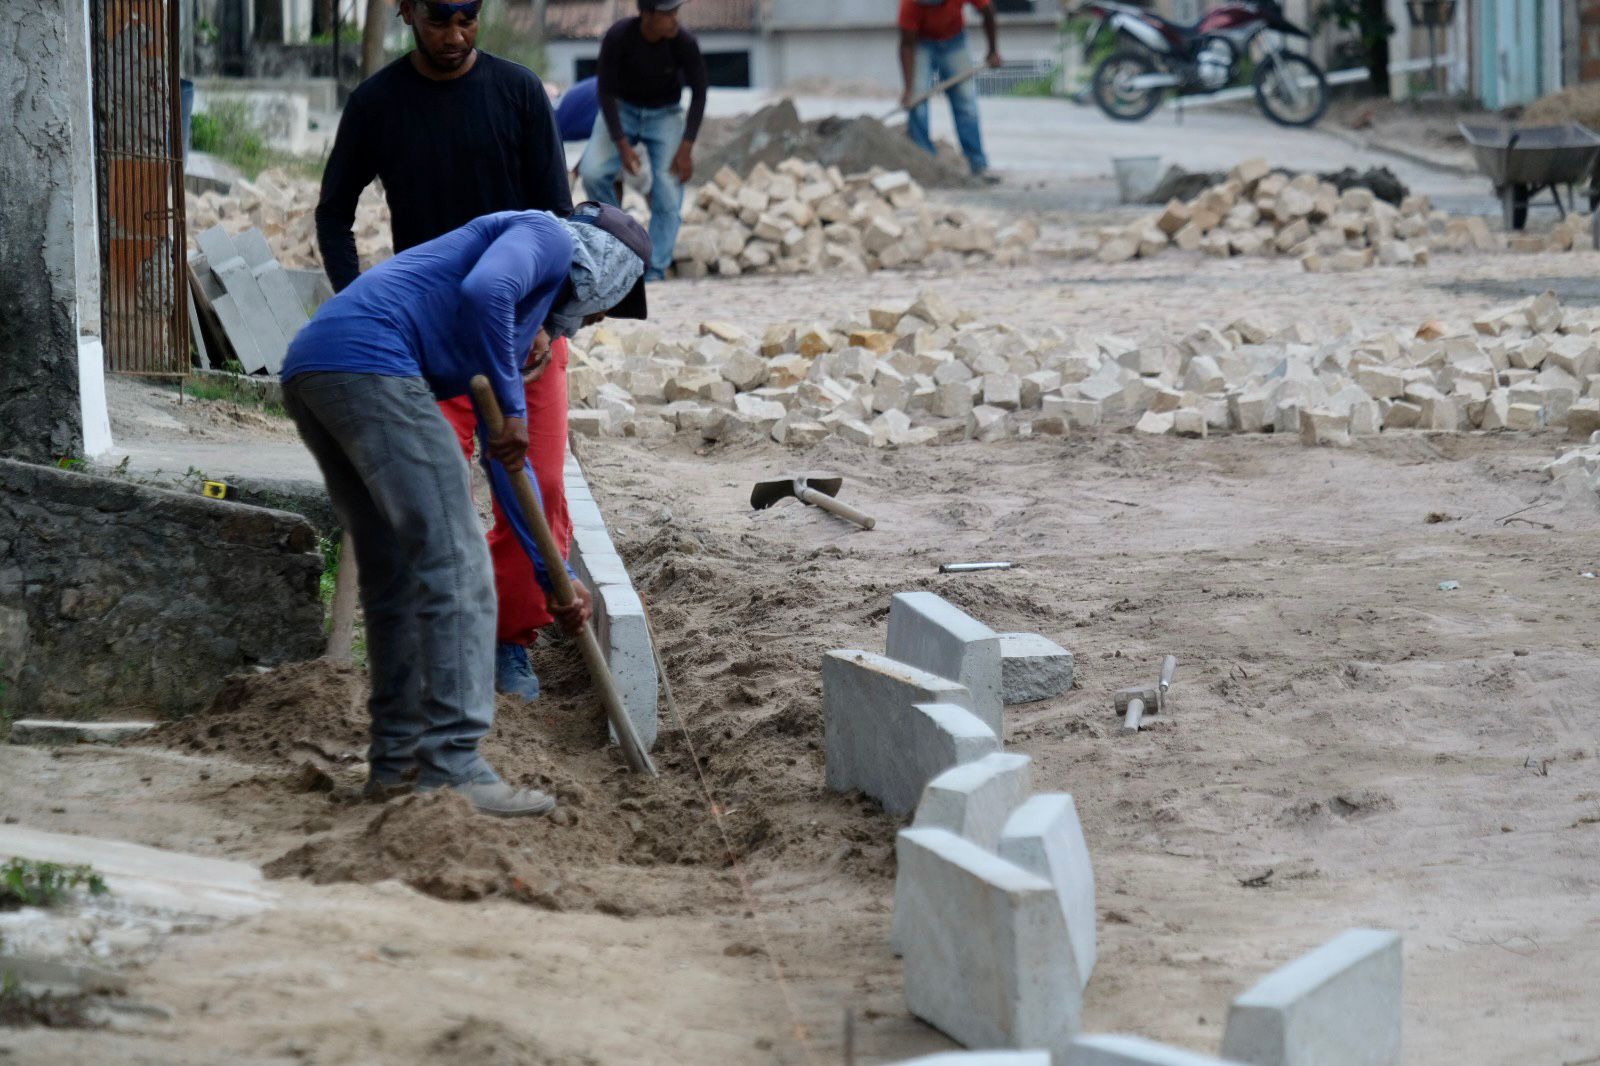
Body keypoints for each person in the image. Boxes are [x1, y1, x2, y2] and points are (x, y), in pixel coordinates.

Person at [281, 204, 652, 818]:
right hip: (371, 362)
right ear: (606, 271)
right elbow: (487, 290)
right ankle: (453, 763)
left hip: (320, 363)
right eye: (612, 301)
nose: (600, 317)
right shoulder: (548, 236)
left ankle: (397, 763)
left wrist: (552, 574)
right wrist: (513, 406)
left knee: (400, 575)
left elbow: (510, 470)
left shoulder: (503, 328)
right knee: (459, 562)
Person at [316, 0, 582, 705]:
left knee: (536, 488)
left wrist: (546, 318)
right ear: (406, 11)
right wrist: (362, 304)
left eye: (468, 17)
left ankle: (509, 642)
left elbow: (559, 220)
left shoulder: (518, 93)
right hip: (430, 344)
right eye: (440, 20)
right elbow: (333, 214)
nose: (456, 35)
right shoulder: (377, 104)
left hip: (524, 340)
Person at [580, 0, 708, 281]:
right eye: (667, 14)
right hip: (622, 109)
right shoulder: (618, 36)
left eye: (676, 13)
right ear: (647, 15)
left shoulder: (684, 42)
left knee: (668, 187)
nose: (674, 20)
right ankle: (618, 245)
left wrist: (686, 147)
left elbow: (700, 93)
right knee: (592, 172)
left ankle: (654, 269)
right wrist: (621, 144)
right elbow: (604, 91)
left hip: (665, 114)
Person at [898, 0, 1003, 182]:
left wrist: (993, 51)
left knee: (966, 102)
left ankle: (977, 164)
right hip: (921, 43)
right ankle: (924, 165)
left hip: (955, 40)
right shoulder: (909, 4)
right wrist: (909, 90)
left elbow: (988, 11)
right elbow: (906, 44)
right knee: (917, 101)